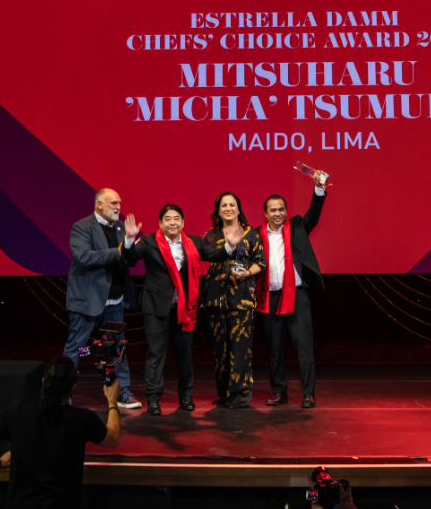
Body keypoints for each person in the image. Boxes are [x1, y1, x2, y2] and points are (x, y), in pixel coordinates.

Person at [119, 204, 242, 415]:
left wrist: (230, 246)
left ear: (183, 223)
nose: (172, 222)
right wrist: (129, 239)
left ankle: (186, 397)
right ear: (160, 223)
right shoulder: (149, 241)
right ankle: (153, 399)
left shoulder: (193, 242)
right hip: (156, 308)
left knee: (185, 356)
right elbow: (130, 259)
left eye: (176, 218)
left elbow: (214, 255)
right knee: (156, 355)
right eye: (168, 219)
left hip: (184, 310)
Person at [0, 357, 121, 509]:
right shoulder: (82, 419)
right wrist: (112, 400)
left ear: (44, 382)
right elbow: (113, 439)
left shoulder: (17, 413)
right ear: (73, 388)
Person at [63, 188, 141, 409]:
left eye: (119, 203)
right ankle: (63, 393)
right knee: (76, 348)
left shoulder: (121, 228)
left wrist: (129, 243)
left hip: (114, 302)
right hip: (86, 301)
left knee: (118, 348)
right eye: (113, 203)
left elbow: (130, 261)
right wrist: (120, 250)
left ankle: (123, 393)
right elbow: (84, 257)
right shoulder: (82, 227)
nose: (118, 207)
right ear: (99, 204)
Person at [258, 172, 327, 408]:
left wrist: (319, 189)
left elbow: (313, 215)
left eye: (281, 209)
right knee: (275, 349)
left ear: (286, 211)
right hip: (270, 297)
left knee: (304, 347)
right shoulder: (256, 235)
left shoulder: (297, 226)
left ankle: (308, 394)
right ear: (266, 213)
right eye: (273, 210)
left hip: (297, 296)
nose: (278, 213)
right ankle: (279, 393)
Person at [202, 192, 266, 409]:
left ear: (238, 209)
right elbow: (204, 255)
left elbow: (261, 262)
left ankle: (239, 395)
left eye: (232, 205)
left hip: (242, 300)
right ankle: (223, 393)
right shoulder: (210, 235)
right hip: (215, 301)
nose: (228, 208)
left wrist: (247, 273)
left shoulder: (251, 234)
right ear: (218, 211)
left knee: (240, 350)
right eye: (224, 205)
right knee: (220, 351)